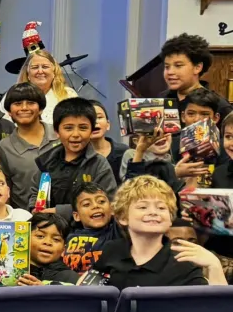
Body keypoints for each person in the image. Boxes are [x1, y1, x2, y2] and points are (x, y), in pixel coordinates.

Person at [97, 176, 226, 288]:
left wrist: (214, 266)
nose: (153, 212)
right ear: (122, 217)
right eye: (143, 207)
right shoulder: (111, 250)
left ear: (170, 219)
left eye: (161, 207)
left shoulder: (183, 262)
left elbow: (218, 311)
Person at [34, 98, 117, 222]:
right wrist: (35, 208)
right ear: (57, 131)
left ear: (91, 131)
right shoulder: (46, 161)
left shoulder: (99, 164)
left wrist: (60, 211)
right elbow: (35, 192)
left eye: (83, 128)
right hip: (50, 229)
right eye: (68, 128)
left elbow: (108, 202)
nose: (76, 134)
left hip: (87, 232)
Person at [0, 83, 57, 210]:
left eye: (30, 103)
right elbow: (5, 186)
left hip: (63, 215)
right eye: (17, 104)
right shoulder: (5, 146)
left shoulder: (60, 135)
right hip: (24, 218)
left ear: (40, 108)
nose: (24, 108)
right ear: (9, 111)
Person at [160, 34, 232, 119]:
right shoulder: (162, 98)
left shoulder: (219, 105)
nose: (170, 72)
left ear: (197, 67)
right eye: (167, 67)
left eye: (178, 65)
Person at [62, 182, 121, 273]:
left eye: (101, 201)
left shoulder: (116, 231)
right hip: (70, 284)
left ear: (111, 209)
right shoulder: (67, 235)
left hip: (103, 285)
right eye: (86, 204)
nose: (96, 206)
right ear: (76, 216)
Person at [18, 50, 78, 126]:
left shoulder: (69, 95)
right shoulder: (15, 96)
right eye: (35, 67)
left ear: (54, 72)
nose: (40, 71)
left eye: (45, 67)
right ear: (28, 73)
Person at [18, 213, 80, 285]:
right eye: (40, 236)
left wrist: (43, 291)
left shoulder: (69, 277)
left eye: (56, 239)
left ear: (64, 249)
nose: (48, 242)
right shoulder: (10, 272)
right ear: (25, 239)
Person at [88, 100, 127, 182]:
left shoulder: (124, 152)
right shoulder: (77, 155)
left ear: (108, 124)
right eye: (89, 118)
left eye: (99, 117)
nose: (95, 121)